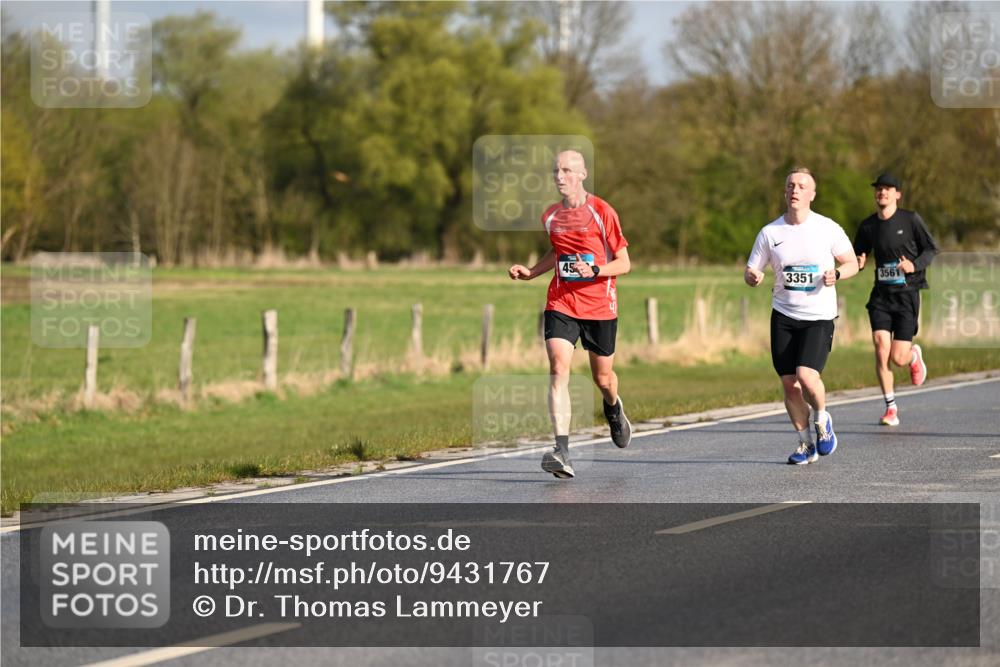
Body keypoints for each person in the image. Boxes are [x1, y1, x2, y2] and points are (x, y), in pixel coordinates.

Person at [508, 150, 632, 479]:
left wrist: (596, 269)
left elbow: (624, 263)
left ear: (582, 175)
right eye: (555, 171)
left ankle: (613, 407)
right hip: (562, 302)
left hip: (600, 305)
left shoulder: (602, 212)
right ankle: (562, 451)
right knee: (558, 367)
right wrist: (532, 272)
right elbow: (558, 251)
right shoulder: (551, 215)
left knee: (603, 378)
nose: (559, 177)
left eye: (566, 170)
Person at [744, 167, 859, 465]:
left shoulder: (827, 228)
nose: (795, 190)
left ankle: (822, 419)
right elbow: (752, 268)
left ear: (812, 194)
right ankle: (805, 444)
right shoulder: (770, 232)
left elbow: (852, 263)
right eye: (790, 185)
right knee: (789, 384)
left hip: (818, 316)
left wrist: (838, 274)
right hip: (783, 315)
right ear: (785, 192)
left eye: (801, 186)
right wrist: (753, 276)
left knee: (807, 377)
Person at [853, 172, 938, 426]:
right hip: (881, 296)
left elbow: (931, 249)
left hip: (906, 295)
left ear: (897, 194)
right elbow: (858, 253)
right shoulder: (868, 226)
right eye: (879, 188)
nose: (882, 192)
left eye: (888, 189)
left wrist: (914, 265)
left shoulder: (910, 220)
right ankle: (891, 408)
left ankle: (913, 356)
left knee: (897, 358)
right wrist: (858, 261)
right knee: (881, 348)